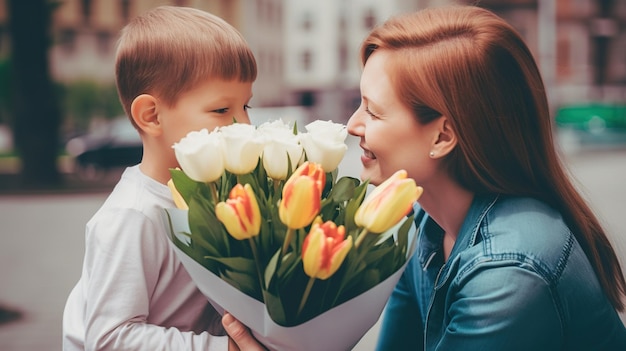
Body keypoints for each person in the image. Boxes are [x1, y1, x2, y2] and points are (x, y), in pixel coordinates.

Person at [344, 5, 626, 351]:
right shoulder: (423, 221)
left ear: (443, 137)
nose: (352, 125)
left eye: (372, 111)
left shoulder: (509, 273)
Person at [62, 6, 257, 350]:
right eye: (222, 110)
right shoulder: (134, 216)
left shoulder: (216, 196)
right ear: (151, 116)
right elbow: (109, 338)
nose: (244, 125)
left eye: (246, 107)